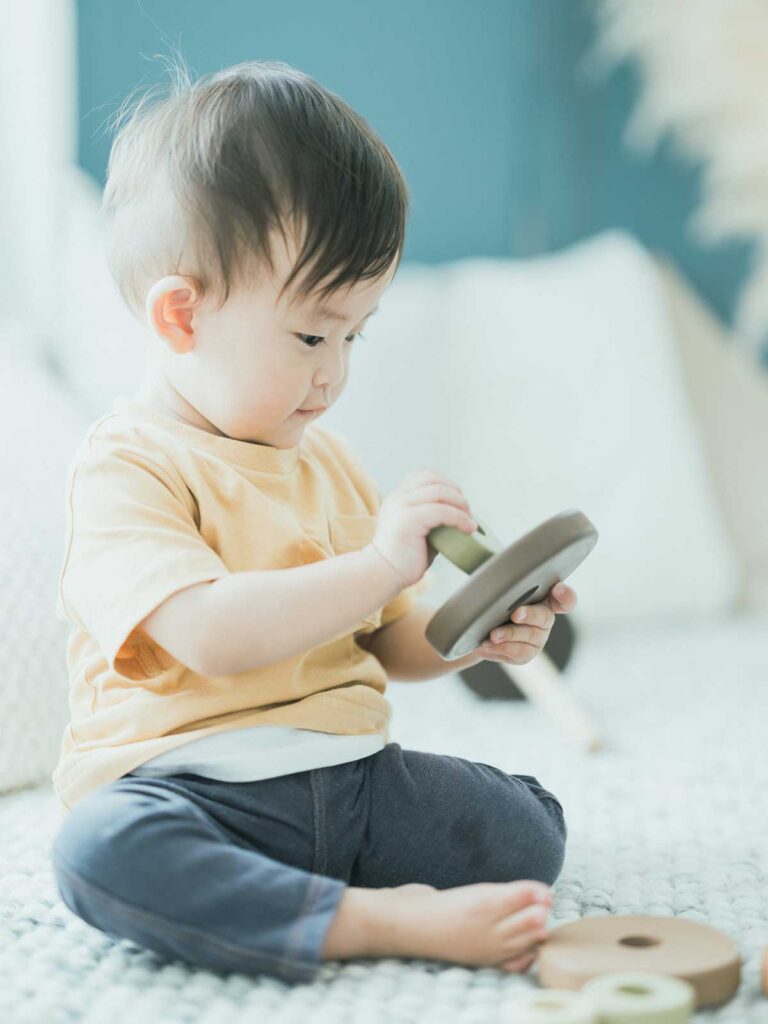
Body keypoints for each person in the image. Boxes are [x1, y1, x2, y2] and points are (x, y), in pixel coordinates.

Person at [51, 57, 578, 985]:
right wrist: (380, 562)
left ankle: (304, 893)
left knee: (528, 826)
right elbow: (211, 636)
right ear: (181, 315)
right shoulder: (127, 467)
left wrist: (473, 634)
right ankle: (363, 921)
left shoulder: (324, 459)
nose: (335, 372)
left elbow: (386, 646)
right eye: (310, 335)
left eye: (354, 334)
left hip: (352, 778)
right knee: (99, 851)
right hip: (194, 789)